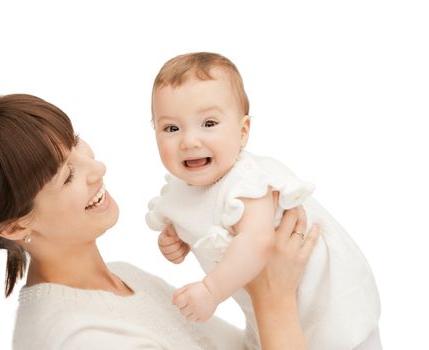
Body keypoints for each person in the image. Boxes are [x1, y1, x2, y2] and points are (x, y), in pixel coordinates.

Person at [0, 93, 317, 350]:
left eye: (76, 143)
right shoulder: (82, 339)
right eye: (66, 176)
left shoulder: (123, 277)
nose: (97, 167)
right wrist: (274, 299)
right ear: (14, 226)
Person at [146, 52, 382, 350]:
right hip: (275, 312)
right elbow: (202, 225)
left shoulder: (248, 182)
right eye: (171, 128)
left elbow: (257, 242)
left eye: (208, 123)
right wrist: (178, 241)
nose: (189, 140)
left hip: (329, 306)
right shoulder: (184, 190)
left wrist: (211, 290)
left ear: (242, 131)